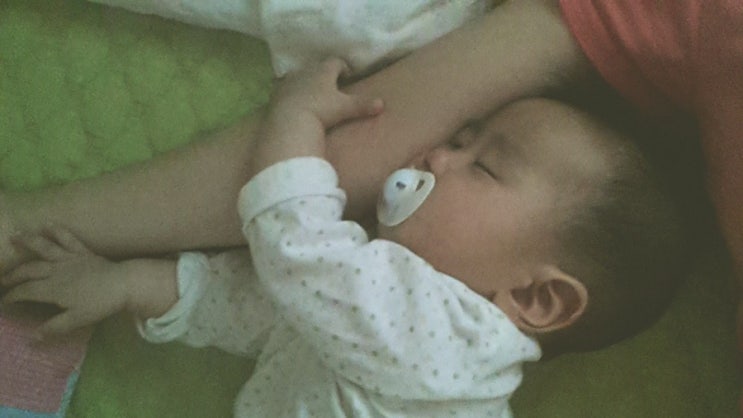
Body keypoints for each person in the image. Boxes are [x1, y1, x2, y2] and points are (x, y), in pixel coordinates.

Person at [1, 59, 686, 417]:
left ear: (535, 297)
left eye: (482, 165)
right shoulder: (387, 323)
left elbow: (295, 248)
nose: (434, 155)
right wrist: (125, 284)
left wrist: (295, 120)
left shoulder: (452, 339)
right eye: (458, 137)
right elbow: (260, 307)